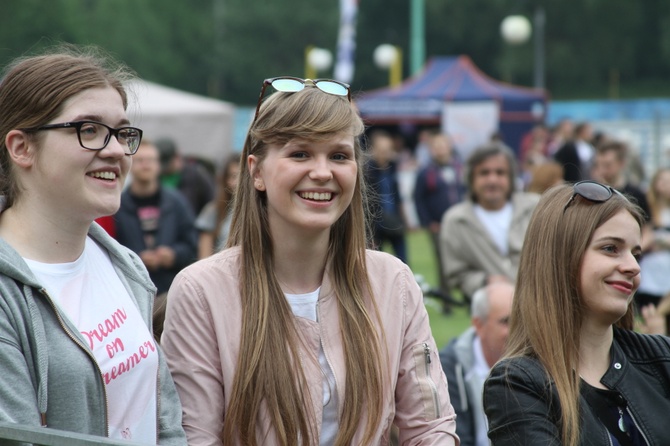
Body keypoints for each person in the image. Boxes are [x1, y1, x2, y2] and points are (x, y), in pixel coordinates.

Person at [160, 76, 458, 445]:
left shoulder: (392, 282)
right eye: (300, 153)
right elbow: (196, 438)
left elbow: (430, 429)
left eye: (339, 155)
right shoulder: (201, 291)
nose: (322, 172)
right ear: (256, 172)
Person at [0, 47, 185, 443]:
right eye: (89, 129)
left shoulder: (123, 263)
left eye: (122, 132)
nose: (116, 150)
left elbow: (166, 420)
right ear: (21, 147)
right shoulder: (6, 293)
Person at [484, 181, 670, 446]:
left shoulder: (662, 360)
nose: (633, 267)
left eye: (636, 254)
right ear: (561, 257)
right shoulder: (519, 384)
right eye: (610, 248)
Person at [114, 139, 198, 339]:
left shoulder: (176, 202)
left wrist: (173, 255)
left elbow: (192, 244)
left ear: (159, 165)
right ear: (131, 164)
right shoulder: (116, 204)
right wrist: (135, 260)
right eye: (141, 160)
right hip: (131, 297)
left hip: (171, 297)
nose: (146, 165)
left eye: (151, 160)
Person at [440, 142, 539, 302]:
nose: (492, 180)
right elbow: (456, 274)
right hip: (493, 314)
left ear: (511, 177)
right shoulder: (456, 221)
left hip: (541, 305)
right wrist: (485, 282)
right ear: (471, 178)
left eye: (500, 173)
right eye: (484, 173)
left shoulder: (535, 209)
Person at [439, 282, 514, 446]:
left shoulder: (536, 364)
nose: (516, 329)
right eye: (506, 321)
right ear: (479, 325)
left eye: (520, 320)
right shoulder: (450, 370)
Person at [413, 132, 464, 301]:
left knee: (464, 259)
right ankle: (446, 300)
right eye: (436, 146)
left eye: (443, 145)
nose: (440, 149)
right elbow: (418, 199)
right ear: (431, 150)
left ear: (449, 146)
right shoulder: (426, 172)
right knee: (443, 263)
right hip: (438, 226)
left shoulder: (459, 168)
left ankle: (467, 297)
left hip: (460, 225)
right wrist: (428, 222)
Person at [365, 130, 408, 263]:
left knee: (403, 260)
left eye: (388, 150)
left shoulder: (392, 168)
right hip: (376, 223)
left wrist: (403, 218)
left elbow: (398, 196)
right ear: (374, 150)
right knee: (377, 262)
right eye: (382, 150)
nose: (385, 153)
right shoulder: (367, 171)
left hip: (394, 219)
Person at [195, 152, 241, 259]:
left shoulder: (264, 210)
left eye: (241, 175)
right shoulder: (213, 211)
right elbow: (204, 258)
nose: (237, 182)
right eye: (232, 176)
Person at [636, 167, 670, 308]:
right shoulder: (647, 209)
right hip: (648, 275)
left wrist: (657, 240)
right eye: (661, 180)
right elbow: (642, 243)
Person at [156, 137, 215, 216]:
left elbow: (211, 199)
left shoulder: (195, 175)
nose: (164, 169)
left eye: (167, 164)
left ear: (176, 156)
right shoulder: (155, 177)